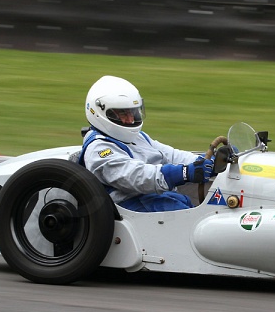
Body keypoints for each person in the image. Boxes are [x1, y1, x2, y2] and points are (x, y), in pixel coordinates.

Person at [79, 75, 214, 212]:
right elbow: (138, 176)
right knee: (185, 214)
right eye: (123, 114)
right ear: (99, 112)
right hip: (130, 205)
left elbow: (170, 155)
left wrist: (208, 161)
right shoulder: (99, 150)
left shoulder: (136, 137)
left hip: (154, 198)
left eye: (133, 112)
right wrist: (184, 173)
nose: (131, 120)